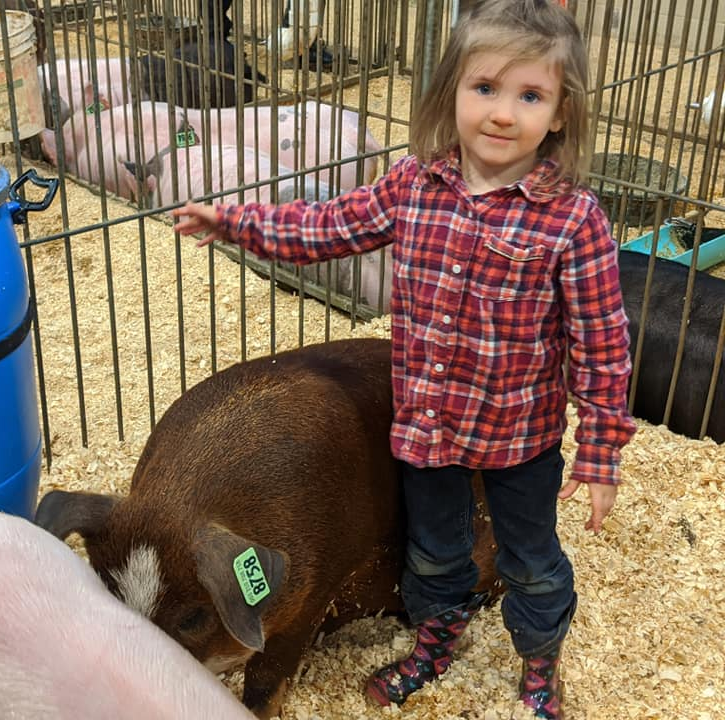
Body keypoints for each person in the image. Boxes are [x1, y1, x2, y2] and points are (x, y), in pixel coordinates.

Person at [172, 0, 637, 716]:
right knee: (433, 554)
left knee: (532, 564)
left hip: (519, 443)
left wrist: (601, 450)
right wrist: (236, 222)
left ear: (562, 114)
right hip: (426, 432)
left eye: (530, 96)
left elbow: (603, 343)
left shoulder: (574, 219)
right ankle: (435, 640)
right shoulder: (414, 183)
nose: (503, 113)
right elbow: (325, 227)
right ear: (452, 91)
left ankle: (540, 661)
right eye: (485, 88)